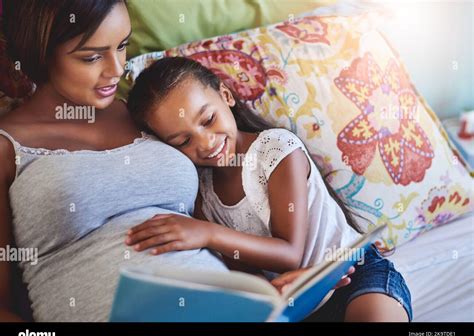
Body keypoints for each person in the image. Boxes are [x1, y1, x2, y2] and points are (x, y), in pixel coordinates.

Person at [126, 57, 413, 321]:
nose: (204, 143)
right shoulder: (204, 194)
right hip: (299, 305)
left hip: (356, 277)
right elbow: (245, 272)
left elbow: (290, 253)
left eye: (208, 120)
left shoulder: (276, 149)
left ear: (226, 96)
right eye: (182, 141)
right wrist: (270, 291)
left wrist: (207, 234)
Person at [0, 0, 230, 322]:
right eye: (92, 57)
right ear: (42, 54)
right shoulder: (7, 146)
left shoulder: (148, 113)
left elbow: (217, 214)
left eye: (122, 46)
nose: (117, 69)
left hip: (225, 306)